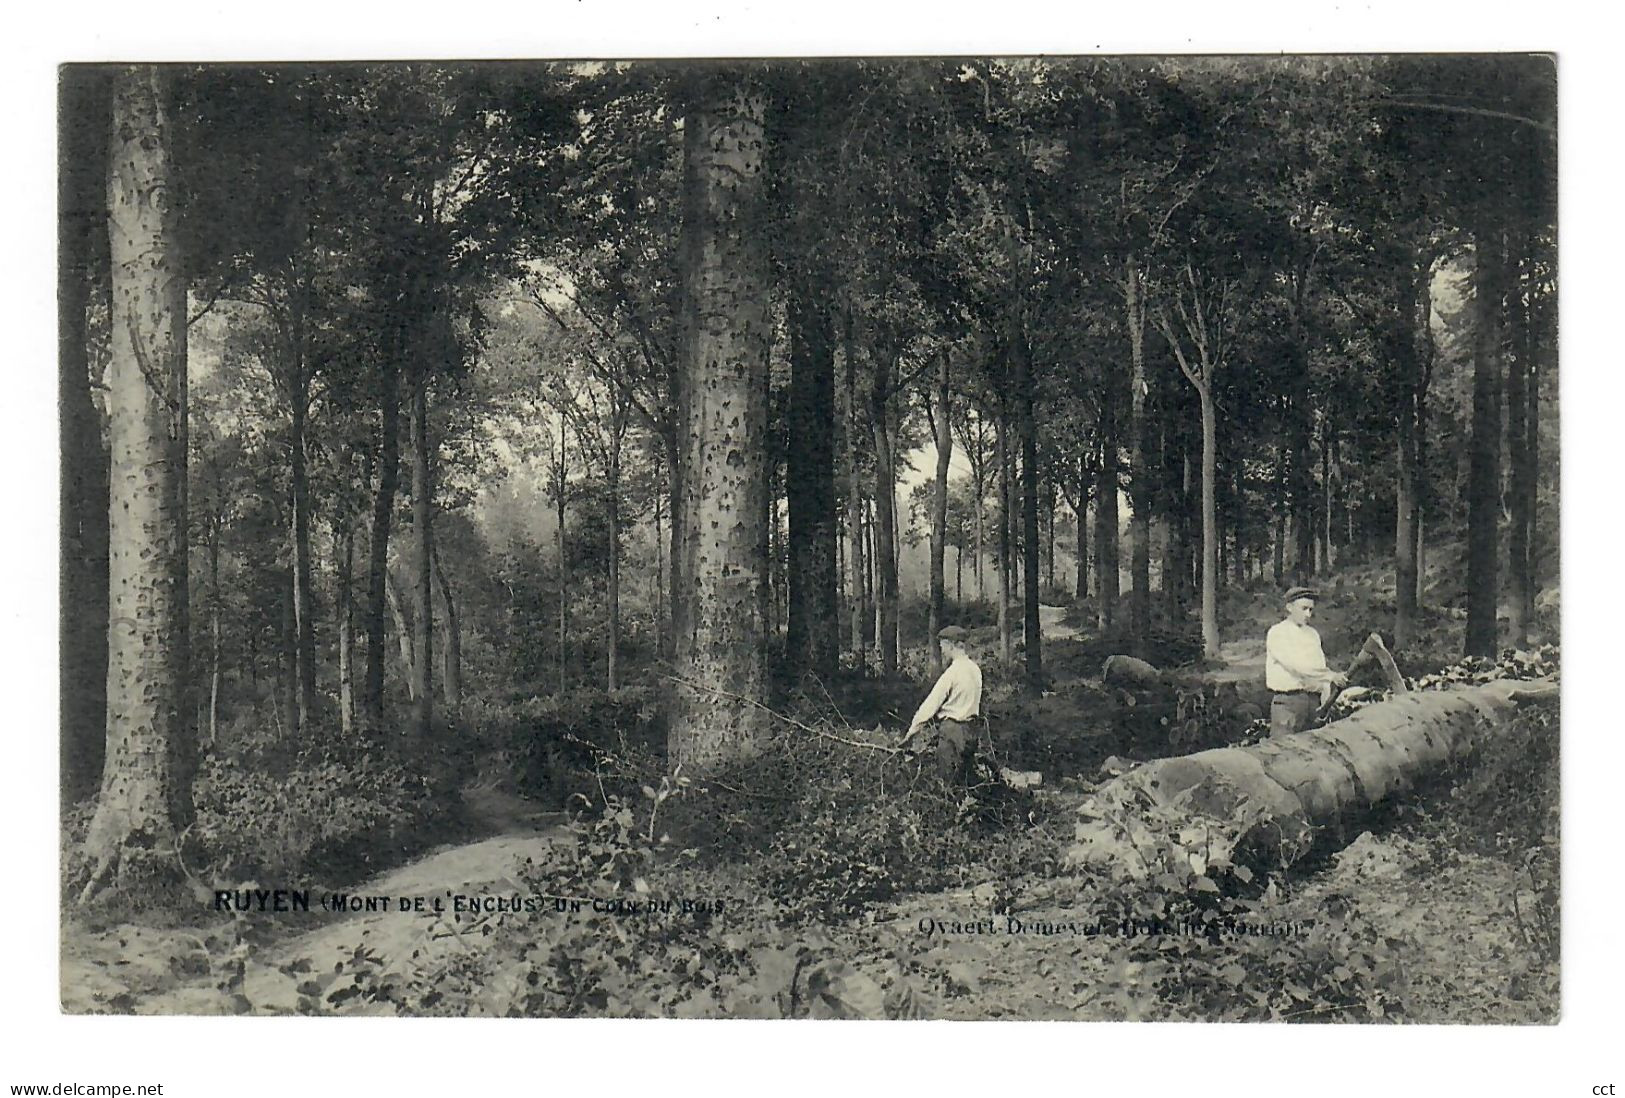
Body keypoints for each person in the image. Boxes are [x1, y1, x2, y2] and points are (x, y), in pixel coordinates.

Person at [900, 626, 984, 782]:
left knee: (947, 780)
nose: (942, 650)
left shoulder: (953, 673)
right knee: (965, 778)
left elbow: (930, 705)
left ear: (951, 645)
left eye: (943, 646)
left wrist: (911, 733)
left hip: (953, 731)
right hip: (972, 731)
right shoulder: (975, 669)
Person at [1265, 586, 1347, 736]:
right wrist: (1331, 675)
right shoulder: (1278, 632)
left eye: (1310, 609)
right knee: (1283, 752)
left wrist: (1325, 702)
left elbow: (1319, 668)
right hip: (1288, 703)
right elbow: (1296, 666)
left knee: (1312, 753)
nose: (1308, 614)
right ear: (1289, 607)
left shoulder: (1312, 634)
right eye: (1303, 608)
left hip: (1313, 703)